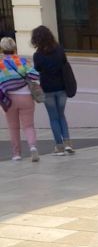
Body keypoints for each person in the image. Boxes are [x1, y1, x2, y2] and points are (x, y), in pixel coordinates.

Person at [31, 25, 74, 156]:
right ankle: (67, 144)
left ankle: (59, 146)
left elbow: (37, 70)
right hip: (62, 88)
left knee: (53, 118)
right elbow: (65, 63)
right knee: (61, 115)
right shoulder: (60, 50)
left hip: (48, 89)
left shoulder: (37, 55)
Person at [0, 38, 40, 162]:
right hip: (26, 97)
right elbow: (35, 75)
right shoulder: (22, 61)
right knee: (28, 125)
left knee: (13, 127)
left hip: (9, 99)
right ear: (15, 48)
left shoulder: (0, 64)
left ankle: (16, 154)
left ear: (2, 49)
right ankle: (33, 147)